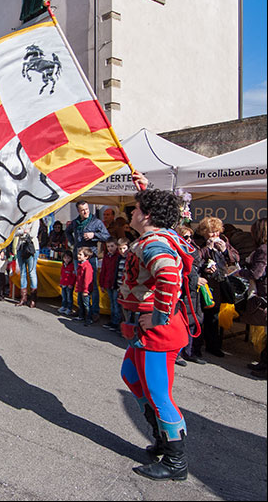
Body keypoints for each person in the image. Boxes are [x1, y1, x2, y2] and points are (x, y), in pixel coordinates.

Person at [119, 171, 192, 481]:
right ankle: (162, 439)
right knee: (131, 375)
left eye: (136, 208)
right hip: (147, 330)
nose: (131, 212)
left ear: (146, 216)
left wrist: (160, 316)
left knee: (160, 396)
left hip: (158, 332)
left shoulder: (153, 244)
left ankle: (176, 461)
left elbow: (169, 276)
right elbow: (159, 214)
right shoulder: (160, 233)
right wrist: (145, 189)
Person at [196, 216, 240, 358]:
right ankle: (197, 345)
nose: (215, 235)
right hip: (205, 284)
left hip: (220, 283)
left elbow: (236, 258)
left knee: (214, 315)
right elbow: (196, 260)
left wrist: (225, 251)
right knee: (203, 314)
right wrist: (207, 249)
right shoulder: (199, 244)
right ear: (204, 232)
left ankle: (213, 346)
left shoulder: (224, 241)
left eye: (216, 231)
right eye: (211, 232)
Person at [66, 201, 111, 319]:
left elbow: (107, 236)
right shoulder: (75, 222)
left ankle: (94, 311)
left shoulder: (96, 222)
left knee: (92, 284)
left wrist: (94, 235)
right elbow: (67, 231)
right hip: (78, 256)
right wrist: (72, 243)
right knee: (80, 283)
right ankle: (82, 309)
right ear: (78, 211)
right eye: (82, 210)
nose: (85, 212)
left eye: (86, 209)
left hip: (91, 256)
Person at [238, 218, 267, 379]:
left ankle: (264, 367)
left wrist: (240, 272)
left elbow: (257, 273)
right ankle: (263, 363)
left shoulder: (263, 249)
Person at [175, 225, 207, 365]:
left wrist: (207, 269)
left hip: (194, 293)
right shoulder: (176, 252)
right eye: (185, 237)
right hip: (183, 293)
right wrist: (195, 279)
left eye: (190, 237)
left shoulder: (193, 251)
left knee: (194, 321)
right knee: (182, 323)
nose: (188, 239)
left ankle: (189, 351)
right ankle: (177, 353)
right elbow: (180, 273)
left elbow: (197, 268)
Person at [15, 218, 40, 308]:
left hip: (31, 248)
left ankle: (33, 299)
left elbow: (33, 234)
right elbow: (15, 232)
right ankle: (23, 298)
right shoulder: (21, 220)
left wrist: (22, 232)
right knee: (22, 273)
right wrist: (24, 232)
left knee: (31, 272)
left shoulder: (36, 220)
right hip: (20, 248)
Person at [100, 237, 122, 331]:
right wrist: (102, 284)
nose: (110, 248)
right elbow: (103, 270)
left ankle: (117, 322)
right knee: (112, 303)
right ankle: (113, 320)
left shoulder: (118, 257)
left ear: (116, 246)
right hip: (108, 283)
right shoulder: (106, 256)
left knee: (116, 303)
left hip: (116, 283)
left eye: (112, 246)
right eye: (108, 246)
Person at [74, 247, 94, 325]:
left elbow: (87, 279)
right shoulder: (81, 265)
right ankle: (81, 316)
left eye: (80, 254)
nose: (78, 256)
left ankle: (89, 319)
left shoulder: (87, 266)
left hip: (85, 289)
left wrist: (86, 290)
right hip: (80, 288)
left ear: (86, 256)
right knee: (80, 302)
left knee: (87, 304)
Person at [58, 250, 76, 315]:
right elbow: (62, 274)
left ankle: (69, 308)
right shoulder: (63, 265)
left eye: (68, 258)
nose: (66, 259)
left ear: (71, 258)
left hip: (69, 284)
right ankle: (64, 306)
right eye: (65, 258)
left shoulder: (72, 266)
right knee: (64, 296)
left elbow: (73, 276)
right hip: (63, 284)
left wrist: (71, 284)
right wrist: (61, 282)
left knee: (69, 297)